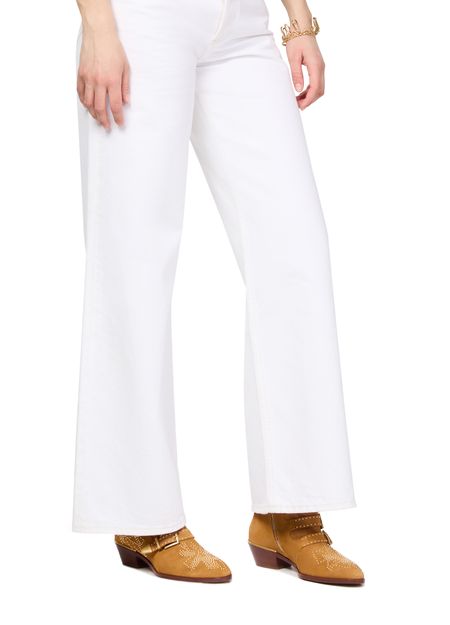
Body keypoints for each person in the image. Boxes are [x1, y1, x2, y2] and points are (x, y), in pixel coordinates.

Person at [72, 0, 365, 586]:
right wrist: (98, 25)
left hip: (241, 25)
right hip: (139, 22)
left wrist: (299, 21)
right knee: (135, 260)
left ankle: (290, 509)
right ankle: (142, 515)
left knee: (294, 251)